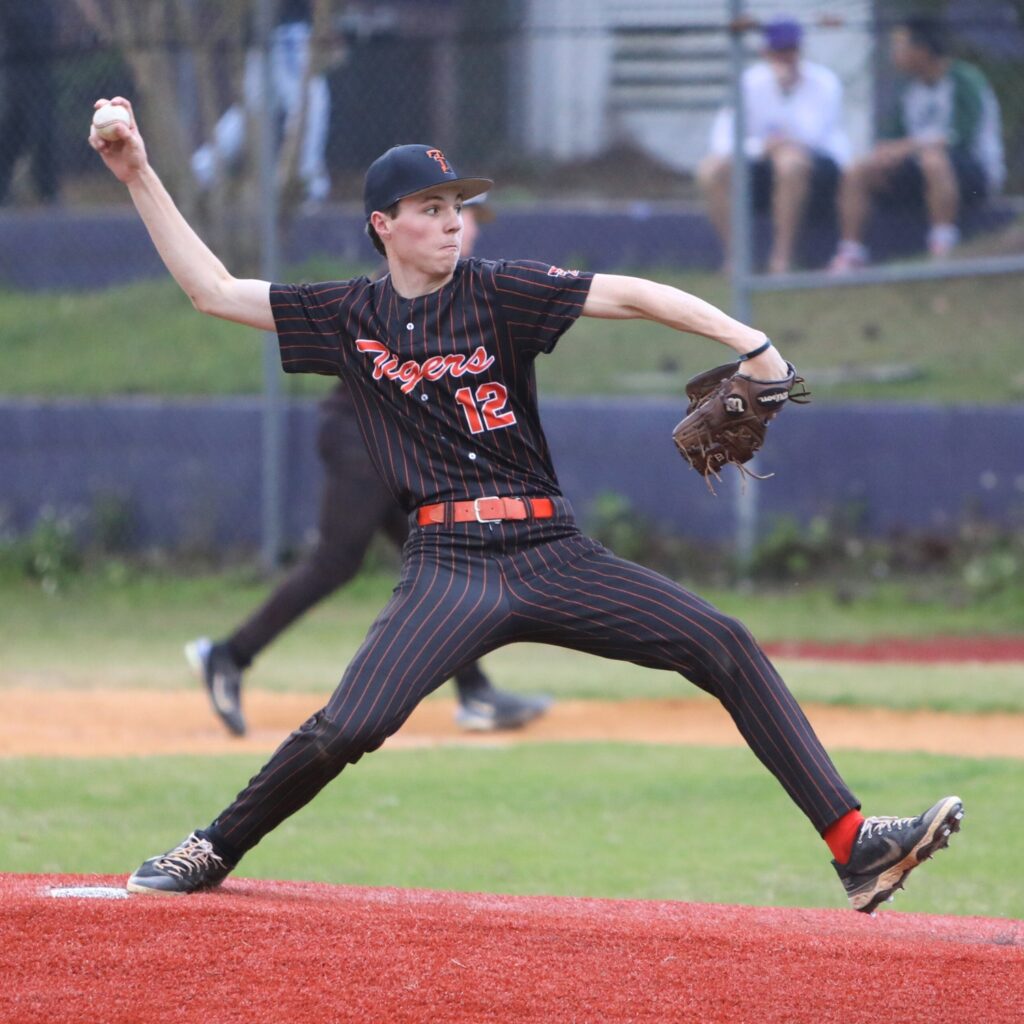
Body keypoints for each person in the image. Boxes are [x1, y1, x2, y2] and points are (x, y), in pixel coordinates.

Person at [89, 96, 963, 915]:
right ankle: (212, 847)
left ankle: (855, 845)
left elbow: (629, 292)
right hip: (448, 568)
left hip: (553, 552)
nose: (449, 220)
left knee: (722, 642)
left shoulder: (499, 292)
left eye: (455, 205)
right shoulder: (348, 316)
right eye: (427, 207)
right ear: (382, 226)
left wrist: (751, 342)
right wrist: (136, 171)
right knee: (348, 725)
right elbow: (212, 290)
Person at [186, 192, 553, 736]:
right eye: (452, 213)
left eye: (467, 216)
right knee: (341, 561)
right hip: (363, 440)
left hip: (390, 444)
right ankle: (229, 656)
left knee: (442, 568)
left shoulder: (462, 285)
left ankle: (475, 692)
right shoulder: (414, 282)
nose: (464, 226)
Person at [829, 14, 1005, 271]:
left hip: (971, 170)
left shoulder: (963, 79)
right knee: (859, 169)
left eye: (901, 46)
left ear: (922, 50)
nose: (894, 53)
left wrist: (906, 147)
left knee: (933, 159)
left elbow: (959, 138)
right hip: (922, 171)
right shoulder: (909, 89)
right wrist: (886, 154)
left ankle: (943, 244)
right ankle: (851, 251)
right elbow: (891, 139)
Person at [698, 16, 849, 274]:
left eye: (791, 50)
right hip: (760, 162)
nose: (785, 57)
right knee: (709, 171)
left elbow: (814, 137)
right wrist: (761, 148)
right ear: (766, 52)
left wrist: (786, 90)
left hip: (818, 168)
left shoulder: (824, 82)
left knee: (789, 162)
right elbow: (723, 139)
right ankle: (737, 260)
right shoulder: (750, 83)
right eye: (779, 51)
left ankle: (781, 259)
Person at [191, 0, 331, 204]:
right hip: (287, 32)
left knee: (250, 111)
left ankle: (202, 170)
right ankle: (305, 179)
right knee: (310, 103)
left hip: (272, 33)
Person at [0, 0, 59, 205]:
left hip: (39, 70)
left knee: (42, 129)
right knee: (12, 131)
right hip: (15, 69)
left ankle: (48, 192)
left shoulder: (43, 8)